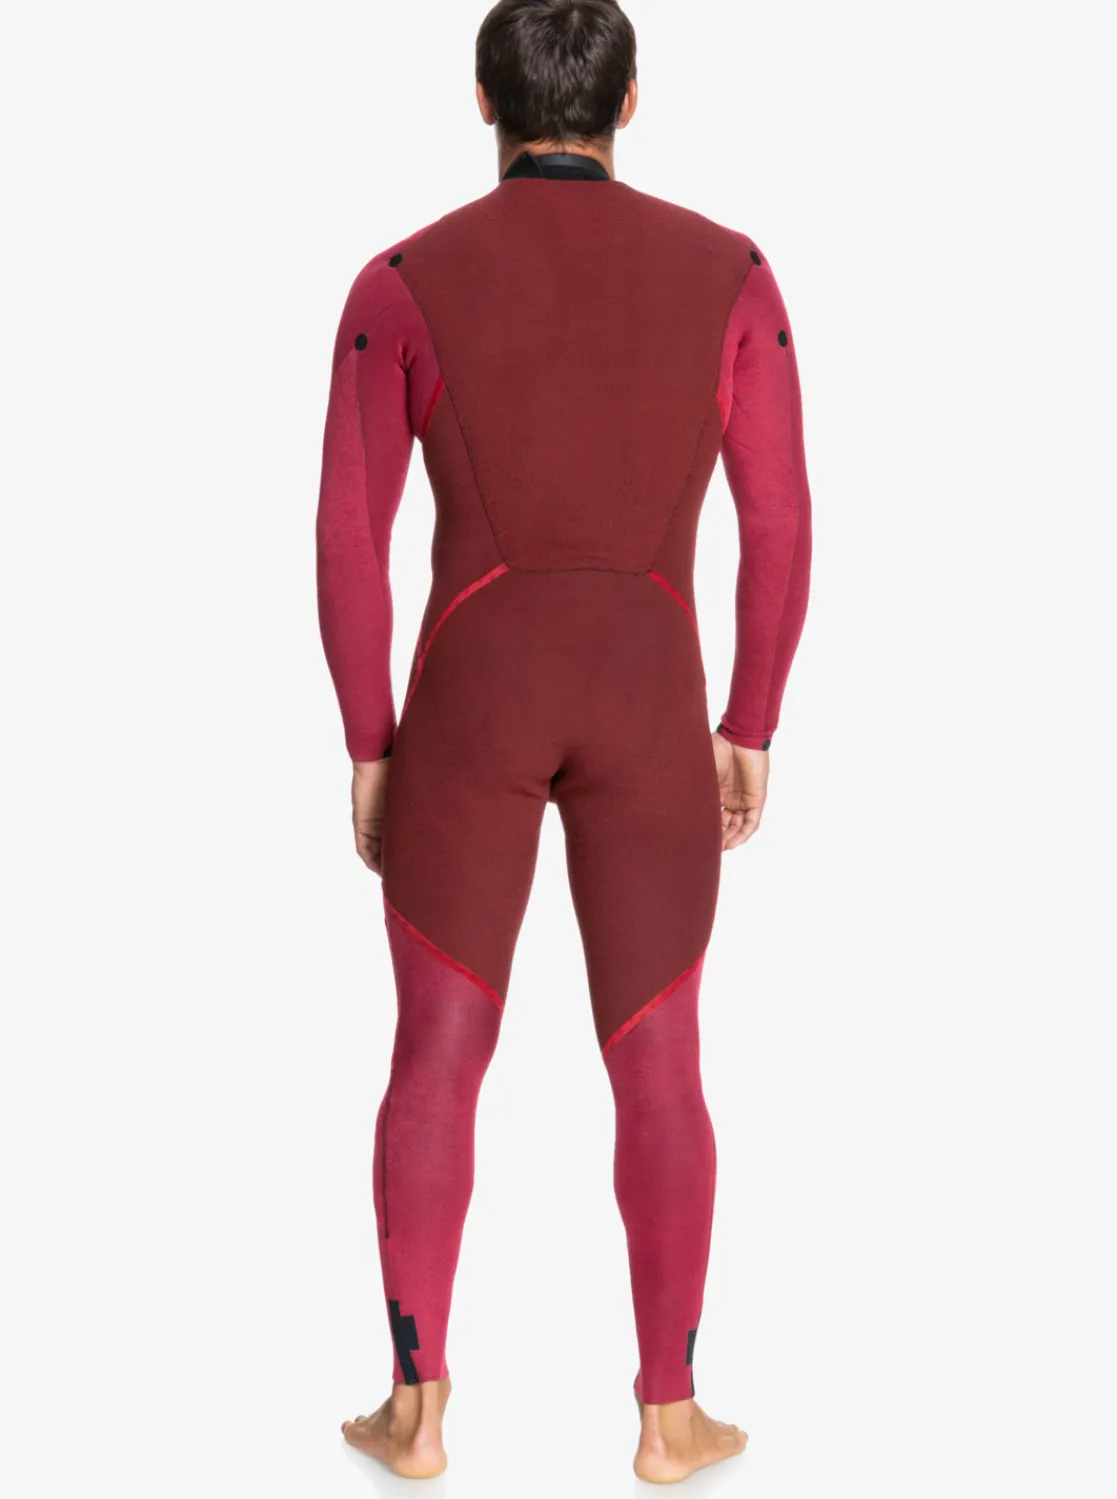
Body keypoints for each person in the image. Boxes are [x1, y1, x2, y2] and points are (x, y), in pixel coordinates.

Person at [316, 0, 811, 1482]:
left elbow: (348, 539)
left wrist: (372, 741)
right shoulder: (734, 275)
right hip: (651, 694)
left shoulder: (399, 284)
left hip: (470, 696)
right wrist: (751, 718)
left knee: (435, 1050)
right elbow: (781, 525)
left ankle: (416, 1410)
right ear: (631, 102)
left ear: (483, 102)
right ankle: (670, 1415)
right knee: (663, 1065)